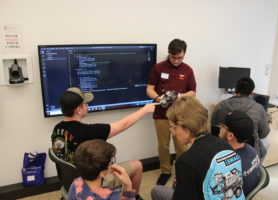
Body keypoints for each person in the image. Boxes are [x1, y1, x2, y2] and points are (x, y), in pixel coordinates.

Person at [51, 87, 158, 199]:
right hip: (91, 181)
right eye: (85, 104)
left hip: (71, 182)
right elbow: (123, 124)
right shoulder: (88, 132)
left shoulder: (57, 129)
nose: (87, 105)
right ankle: (135, 197)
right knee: (137, 165)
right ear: (78, 109)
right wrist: (145, 110)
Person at [151, 96, 244, 200]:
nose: (173, 134)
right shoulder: (227, 146)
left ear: (186, 126)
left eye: (174, 128)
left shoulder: (185, 161)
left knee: (156, 190)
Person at [146, 38, 196, 185]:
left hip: (181, 114)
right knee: (163, 145)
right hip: (161, 114)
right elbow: (149, 88)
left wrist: (180, 96)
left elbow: (193, 92)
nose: (176, 61)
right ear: (168, 53)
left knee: (182, 145)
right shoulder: (158, 68)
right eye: (173, 57)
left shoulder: (188, 70)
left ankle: (182, 172)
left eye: (179, 58)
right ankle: (165, 171)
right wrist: (158, 98)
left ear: (184, 53)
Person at [211, 77, 270, 159]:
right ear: (252, 92)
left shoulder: (220, 106)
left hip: (223, 151)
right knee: (266, 142)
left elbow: (213, 129)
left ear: (235, 89)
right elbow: (264, 134)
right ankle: (257, 167)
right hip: (249, 152)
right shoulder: (259, 108)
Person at [68, 139, 136, 200]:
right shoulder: (111, 196)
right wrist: (128, 186)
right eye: (111, 162)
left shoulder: (76, 183)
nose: (113, 164)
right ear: (102, 173)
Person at [218, 110, 260, 196]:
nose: (219, 128)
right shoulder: (252, 150)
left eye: (222, 126)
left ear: (230, 136)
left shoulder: (228, 164)